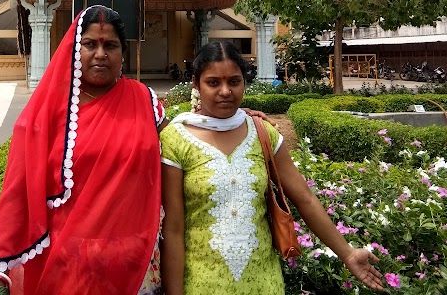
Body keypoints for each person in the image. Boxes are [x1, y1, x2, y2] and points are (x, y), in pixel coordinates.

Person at [0, 7, 275, 295]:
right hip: (68, 269)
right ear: (75, 50)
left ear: (123, 52)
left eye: (110, 45)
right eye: (90, 44)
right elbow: (17, 194)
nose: (100, 54)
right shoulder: (45, 116)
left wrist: (234, 119)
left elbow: (183, 139)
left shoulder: (144, 100)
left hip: (138, 268)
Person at [160, 41, 385, 294]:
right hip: (200, 284)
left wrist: (347, 253)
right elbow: (174, 229)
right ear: (196, 84)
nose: (225, 91)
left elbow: (305, 199)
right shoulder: (176, 139)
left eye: (234, 82)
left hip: (263, 282)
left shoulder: (261, 132)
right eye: (213, 83)